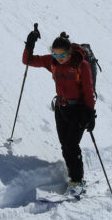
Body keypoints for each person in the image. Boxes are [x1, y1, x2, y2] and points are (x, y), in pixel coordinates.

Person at [23, 29, 96, 196]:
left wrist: (91, 114)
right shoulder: (53, 63)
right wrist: (30, 43)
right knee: (65, 146)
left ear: (70, 52)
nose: (59, 59)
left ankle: (78, 181)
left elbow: (88, 91)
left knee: (71, 145)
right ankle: (75, 178)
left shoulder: (81, 66)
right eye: (55, 55)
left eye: (62, 55)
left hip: (79, 110)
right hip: (61, 109)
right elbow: (27, 60)